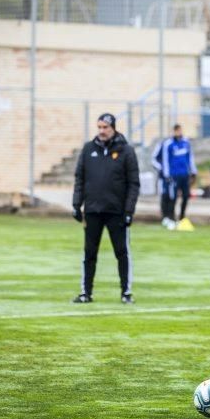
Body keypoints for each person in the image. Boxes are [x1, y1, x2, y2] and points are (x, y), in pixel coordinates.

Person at [72, 113, 140, 304]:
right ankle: (86, 293)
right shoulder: (88, 149)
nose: (101, 131)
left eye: (105, 127)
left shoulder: (126, 151)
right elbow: (80, 179)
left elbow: (133, 184)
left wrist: (129, 211)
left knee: (122, 252)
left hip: (116, 212)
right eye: (99, 127)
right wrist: (77, 205)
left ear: (113, 128)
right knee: (89, 253)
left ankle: (126, 293)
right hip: (93, 210)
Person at [157, 124, 197, 228]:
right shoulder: (168, 144)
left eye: (180, 130)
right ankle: (171, 217)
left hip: (185, 175)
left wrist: (193, 172)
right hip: (173, 175)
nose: (178, 132)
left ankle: (182, 217)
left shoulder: (186, 142)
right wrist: (166, 174)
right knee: (173, 197)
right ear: (173, 131)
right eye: (176, 130)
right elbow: (165, 160)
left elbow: (190, 158)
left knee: (186, 196)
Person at [152, 137, 175, 229]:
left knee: (173, 197)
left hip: (174, 177)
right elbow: (153, 160)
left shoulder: (175, 145)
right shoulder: (162, 145)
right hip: (163, 178)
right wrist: (162, 170)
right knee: (164, 195)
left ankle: (171, 217)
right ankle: (164, 217)